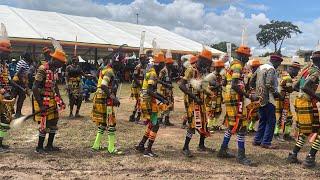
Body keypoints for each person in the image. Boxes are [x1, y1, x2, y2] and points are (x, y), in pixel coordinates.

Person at [217, 44, 258, 166]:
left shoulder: (233, 64)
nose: (247, 58)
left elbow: (226, 82)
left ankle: (222, 150)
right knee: (242, 125)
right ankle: (241, 156)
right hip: (235, 97)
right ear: (240, 55)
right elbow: (235, 84)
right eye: (245, 56)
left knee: (232, 124)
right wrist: (249, 96)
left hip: (232, 96)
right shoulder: (237, 65)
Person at [287, 48, 320, 168]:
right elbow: (306, 87)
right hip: (307, 103)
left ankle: (293, 154)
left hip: (299, 102)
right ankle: (310, 158)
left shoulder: (306, 70)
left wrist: (303, 94)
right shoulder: (316, 72)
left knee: (305, 132)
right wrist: (316, 97)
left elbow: (296, 86)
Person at [32, 38, 66, 153]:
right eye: (60, 63)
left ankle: (49, 146)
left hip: (51, 99)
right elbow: (35, 87)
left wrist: (60, 98)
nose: (61, 65)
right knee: (44, 123)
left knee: (54, 121)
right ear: (54, 60)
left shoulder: (54, 70)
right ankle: (39, 147)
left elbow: (54, 86)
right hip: (42, 99)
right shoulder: (42, 69)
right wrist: (41, 105)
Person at [179, 48, 213, 158]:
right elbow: (181, 85)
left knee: (203, 121)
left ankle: (201, 145)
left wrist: (209, 93)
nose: (207, 65)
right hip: (191, 100)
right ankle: (185, 147)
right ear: (201, 60)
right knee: (193, 123)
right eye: (207, 62)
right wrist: (194, 97)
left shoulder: (201, 72)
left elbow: (202, 86)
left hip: (200, 99)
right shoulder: (190, 70)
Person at [135, 51, 169, 157]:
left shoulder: (152, 71)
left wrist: (162, 97)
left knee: (152, 123)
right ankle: (148, 150)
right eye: (163, 64)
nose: (164, 67)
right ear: (160, 64)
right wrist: (163, 100)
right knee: (155, 125)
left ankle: (141, 145)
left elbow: (152, 90)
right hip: (147, 100)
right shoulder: (153, 73)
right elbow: (149, 91)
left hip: (148, 100)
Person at [91, 55, 122, 155]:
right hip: (104, 99)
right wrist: (113, 98)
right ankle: (111, 148)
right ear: (116, 63)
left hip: (101, 98)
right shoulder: (109, 71)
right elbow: (104, 85)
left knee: (104, 123)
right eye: (121, 63)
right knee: (111, 122)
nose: (121, 66)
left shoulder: (106, 69)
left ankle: (96, 145)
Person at [251, 54, 283, 149]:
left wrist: (256, 91)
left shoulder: (260, 67)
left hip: (259, 98)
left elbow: (252, 81)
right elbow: (269, 83)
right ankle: (266, 142)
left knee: (263, 119)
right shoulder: (271, 69)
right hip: (269, 98)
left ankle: (257, 140)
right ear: (276, 62)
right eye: (278, 63)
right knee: (271, 121)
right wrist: (276, 93)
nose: (278, 66)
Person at [274, 61, 301, 141]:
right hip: (282, 100)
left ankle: (286, 134)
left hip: (283, 99)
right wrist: (296, 88)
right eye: (296, 70)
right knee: (282, 117)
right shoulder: (288, 78)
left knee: (288, 117)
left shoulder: (285, 75)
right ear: (292, 69)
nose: (297, 73)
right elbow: (289, 90)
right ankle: (277, 134)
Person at [0, 23, 15, 153]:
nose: (8, 55)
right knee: (3, 119)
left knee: (5, 120)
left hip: (4, 97)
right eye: (6, 52)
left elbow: (7, 79)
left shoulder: (4, 64)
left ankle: (0, 143)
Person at [206, 59, 225, 132]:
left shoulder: (219, 76)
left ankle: (215, 125)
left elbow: (220, 87)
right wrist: (212, 90)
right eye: (219, 67)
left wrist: (222, 97)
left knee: (218, 111)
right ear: (216, 68)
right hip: (212, 97)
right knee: (211, 111)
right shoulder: (210, 76)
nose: (221, 69)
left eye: (221, 67)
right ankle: (209, 126)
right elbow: (205, 87)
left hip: (218, 97)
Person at [129, 54, 148, 123]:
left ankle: (134, 115)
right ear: (141, 60)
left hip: (142, 85)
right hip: (136, 86)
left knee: (139, 101)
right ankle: (137, 116)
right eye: (143, 59)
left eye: (145, 59)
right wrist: (140, 84)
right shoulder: (138, 67)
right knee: (139, 101)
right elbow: (134, 76)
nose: (145, 60)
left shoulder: (146, 67)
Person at [12, 52, 32, 118]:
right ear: (27, 57)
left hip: (16, 82)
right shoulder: (24, 63)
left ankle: (16, 113)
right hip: (20, 82)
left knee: (14, 97)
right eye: (29, 56)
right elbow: (19, 73)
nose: (30, 57)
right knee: (21, 97)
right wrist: (23, 83)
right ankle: (17, 113)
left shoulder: (20, 62)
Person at [158, 50, 174, 126]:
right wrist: (167, 85)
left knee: (170, 104)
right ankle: (160, 119)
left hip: (169, 90)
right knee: (165, 103)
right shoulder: (163, 70)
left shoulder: (169, 70)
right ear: (168, 63)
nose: (172, 64)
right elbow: (158, 80)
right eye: (171, 63)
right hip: (164, 90)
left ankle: (167, 119)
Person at [246, 59, 261, 133]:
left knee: (255, 113)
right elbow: (247, 86)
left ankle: (250, 127)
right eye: (256, 67)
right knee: (250, 112)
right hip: (252, 96)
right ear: (252, 68)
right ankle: (247, 127)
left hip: (256, 95)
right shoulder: (250, 75)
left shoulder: (259, 75)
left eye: (258, 67)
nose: (257, 68)